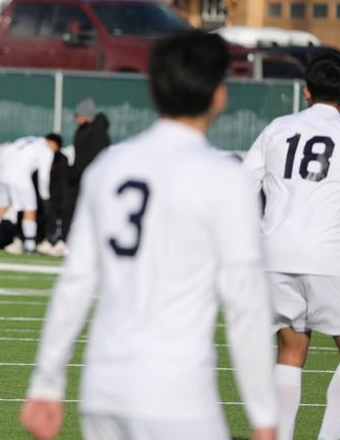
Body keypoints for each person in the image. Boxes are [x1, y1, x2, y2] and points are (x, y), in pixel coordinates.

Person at [20, 31, 277, 440]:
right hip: (177, 393)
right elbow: (245, 303)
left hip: (103, 386)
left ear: (153, 91)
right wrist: (265, 414)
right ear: (220, 95)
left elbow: (76, 283)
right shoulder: (224, 178)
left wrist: (46, 383)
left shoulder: (109, 168)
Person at [243, 53, 340, 440]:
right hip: (328, 253)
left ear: (306, 91)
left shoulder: (278, 128)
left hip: (274, 252)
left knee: (290, 352)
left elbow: (243, 186)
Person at [0, 133, 61, 254]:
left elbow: (6, 152)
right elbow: (44, 176)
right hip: (21, 178)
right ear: (53, 143)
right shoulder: (46, 150)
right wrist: (45, 195)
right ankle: (30, 245)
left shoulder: (26, 139)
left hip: (5, 175)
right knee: (30, 209)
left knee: (3, 206)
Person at [61, 98, 110, 245]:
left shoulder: (97, 132)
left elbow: (94, 157)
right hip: (79, 175)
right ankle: (68, 239)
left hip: (90, 177)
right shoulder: (82, 130)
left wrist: (79, 172)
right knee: (70, 208)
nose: (76, 118)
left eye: (78, 115)